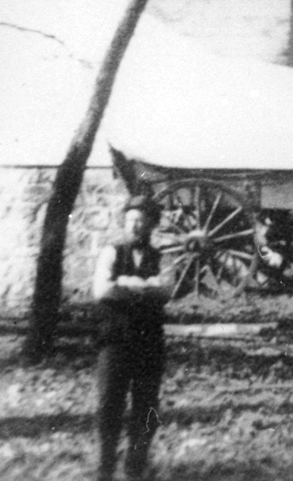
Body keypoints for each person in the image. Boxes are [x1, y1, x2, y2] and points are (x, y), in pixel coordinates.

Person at [92, 194, 172, 481]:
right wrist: (143, 286)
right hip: (114, 341)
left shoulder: (163, 257)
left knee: (146, 408)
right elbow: (102, 290)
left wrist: (125, 284)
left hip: (149, 342)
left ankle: (135, 468)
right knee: (109, 405)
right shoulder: (111, 253)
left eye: (141, 220)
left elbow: (167, 291)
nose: (135, 226)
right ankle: (105, 469)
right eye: (130, 220)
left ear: (152, 224)